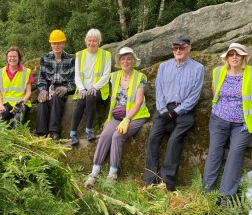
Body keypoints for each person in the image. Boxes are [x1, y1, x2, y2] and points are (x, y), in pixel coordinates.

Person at [202, 43, 252, 204]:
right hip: (219, 120)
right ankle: (207, 194)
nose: (234, 57)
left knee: (235, 155)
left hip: (243, 123)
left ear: (243, 57)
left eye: (238, 54)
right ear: (226, 57)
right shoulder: (218, 71)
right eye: (231, 54)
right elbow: (215, 92)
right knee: (214, 154)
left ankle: (226, 197)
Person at [144, 37, 204, 191]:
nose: (178, 51)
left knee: (173, 142)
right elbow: (159, 91)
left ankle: (167, 183)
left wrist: (176, 112)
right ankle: (150, 181)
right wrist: (164, 111)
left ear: (189, 48)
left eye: (181, 48)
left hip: (185, 112)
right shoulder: (163, 67)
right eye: (175, 48)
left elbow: (194, 96)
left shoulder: (198, 68)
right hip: (164, 110)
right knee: (152, 139)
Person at [85, 47, 150, 187]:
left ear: (133, 60)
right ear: (119, 61)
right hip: (117, 115)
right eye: (123, 58)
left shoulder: (140, 77)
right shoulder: (114, 77)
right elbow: (112, 100)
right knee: (104, 136)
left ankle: (112, 175)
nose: (125, 61)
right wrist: (109, 121)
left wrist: (127, 119)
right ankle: (94, 172)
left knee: (117, 136)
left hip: (136, 115)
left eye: (128, 58)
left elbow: (138, 102)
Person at [69, 29, 111, 146]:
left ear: (99, 42)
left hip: (98, 88)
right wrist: (81, 88)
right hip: (83, 88)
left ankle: (89, 130)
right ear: (86, 41)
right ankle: (72, 134)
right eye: (89, 40)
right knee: (81, 101)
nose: (91, 43)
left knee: (90, 97)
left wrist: (94, 87)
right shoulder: (80, 55)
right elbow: (77, 75)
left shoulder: (106, 55)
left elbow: (106, 76)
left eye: (94, 41)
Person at [36, 29, 76, 140]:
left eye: (59, 43)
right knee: (42, 102)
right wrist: (43, 90)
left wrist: (66, 89)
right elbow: (41, 79)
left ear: (63, 43)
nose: (56, 46)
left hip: (61, 88)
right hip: (48, 87)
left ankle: (54, 131)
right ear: (51, 44)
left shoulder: (71, 59)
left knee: (56, 99)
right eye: (54, 43)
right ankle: (41, 133)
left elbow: (74, 82)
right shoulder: (45, 58)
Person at [0, 46, 34, 128]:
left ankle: (15, 138)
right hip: (5, 104)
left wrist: (22, 102)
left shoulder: (27, 72)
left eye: (15, 56)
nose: (12, 58)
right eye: (10, 56)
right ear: (7, 58)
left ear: (19, 58)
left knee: (17, 121)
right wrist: (0, 105)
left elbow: (28, 92)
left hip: (21, 103)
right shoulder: (0, 72)